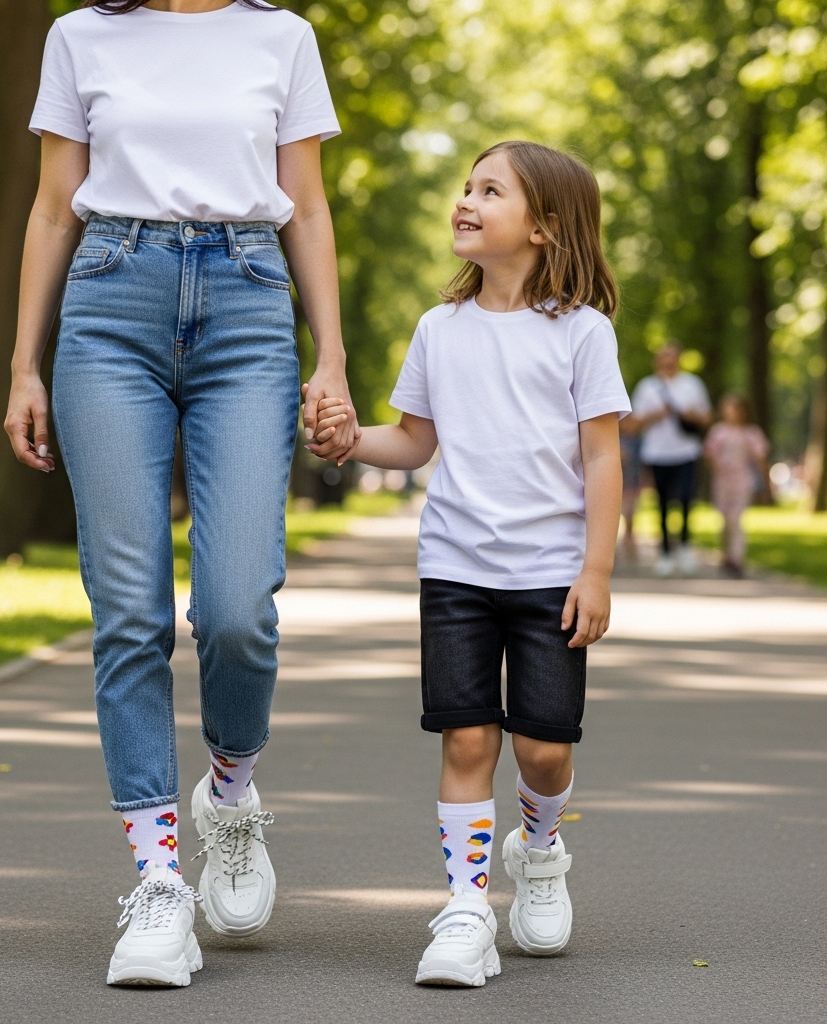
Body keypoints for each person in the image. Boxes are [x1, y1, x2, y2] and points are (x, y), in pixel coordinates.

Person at [4, 0, 356, 988]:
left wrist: (331, 356)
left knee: (238, 607)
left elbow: (308, 206)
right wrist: (23, 367)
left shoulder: (281, 36)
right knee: (128, 610)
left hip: (248, 301)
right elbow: (52, 208)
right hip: (110, 297)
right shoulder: (80, 35)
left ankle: (230, 792)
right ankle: (158, 883)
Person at [311, 141, 629, 985]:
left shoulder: (582, 333)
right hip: (455, 567)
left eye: (492, 191)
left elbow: (602, 457)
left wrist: (597, 571)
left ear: (545, 226)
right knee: (467, 737)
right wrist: (349, 441)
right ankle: (464, 908)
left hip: (550, 574)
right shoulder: (439, 328)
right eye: (467, 187)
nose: (467, 201)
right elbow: (414, 440)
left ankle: (542, 846)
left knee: (545, 751)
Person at [630, 345, 712, 576]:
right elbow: (633, 424)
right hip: (657, 454)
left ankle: (685, 546)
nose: (668, 362)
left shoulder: (693, 384)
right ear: (657, 361)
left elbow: (707, 417)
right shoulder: (647, 387)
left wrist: (691, 415)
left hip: (686, 452)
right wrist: (657, 414)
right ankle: (665, 552)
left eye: (672, 357)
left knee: (686, 498)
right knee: (663, 503)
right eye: (664, 358)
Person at [704, 393, 770, 577]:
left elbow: (761, 459)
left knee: (736, 519)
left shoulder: (751, 433)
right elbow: (709, 455)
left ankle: (736, 558)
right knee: (725, 520)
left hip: (742, 481)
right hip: (722, 481)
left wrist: (767, 485)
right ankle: (726, 554)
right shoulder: (718, 432)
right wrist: (718, 467)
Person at [618, 413, 643, 561]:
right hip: (620, 483)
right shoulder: (617, 441)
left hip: (632, 483)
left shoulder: (639, 443)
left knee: (630, 513)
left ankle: (629, 541)